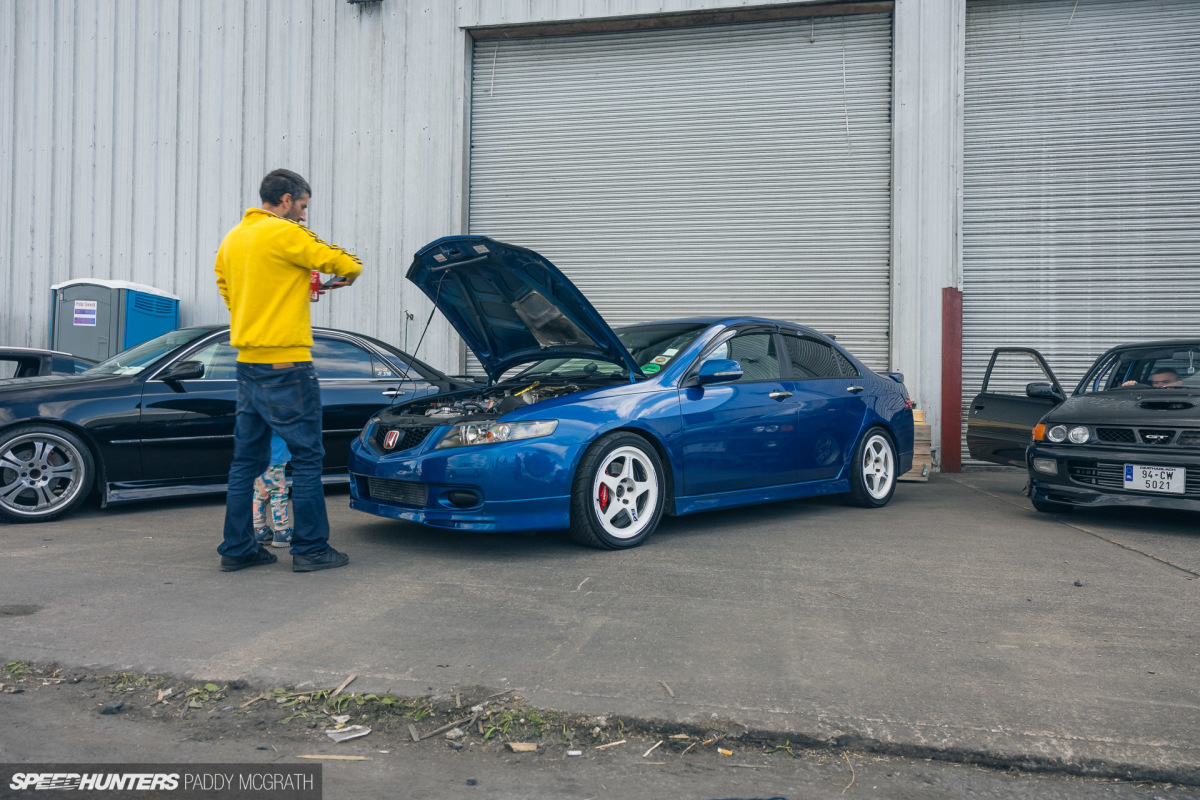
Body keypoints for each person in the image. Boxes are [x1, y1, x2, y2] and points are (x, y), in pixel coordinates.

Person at [215, 168, 362, 572]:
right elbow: (341, 260)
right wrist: (346, 276)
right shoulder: (284, 233)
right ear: (285, 200)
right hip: (288, 364)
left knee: (245, 463)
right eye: (301, 206)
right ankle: (311, 549)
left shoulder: (233, 239)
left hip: (247, 364)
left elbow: (225, 286)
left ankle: (238, 550)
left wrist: (258, 313)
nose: (303, 215)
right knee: (309, 457)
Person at [253, 433, 293, 548]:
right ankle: (282, 531)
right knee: (278, 493)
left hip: (257, 456)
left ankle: (259, 529)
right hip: (275, 456)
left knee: (260, 493)